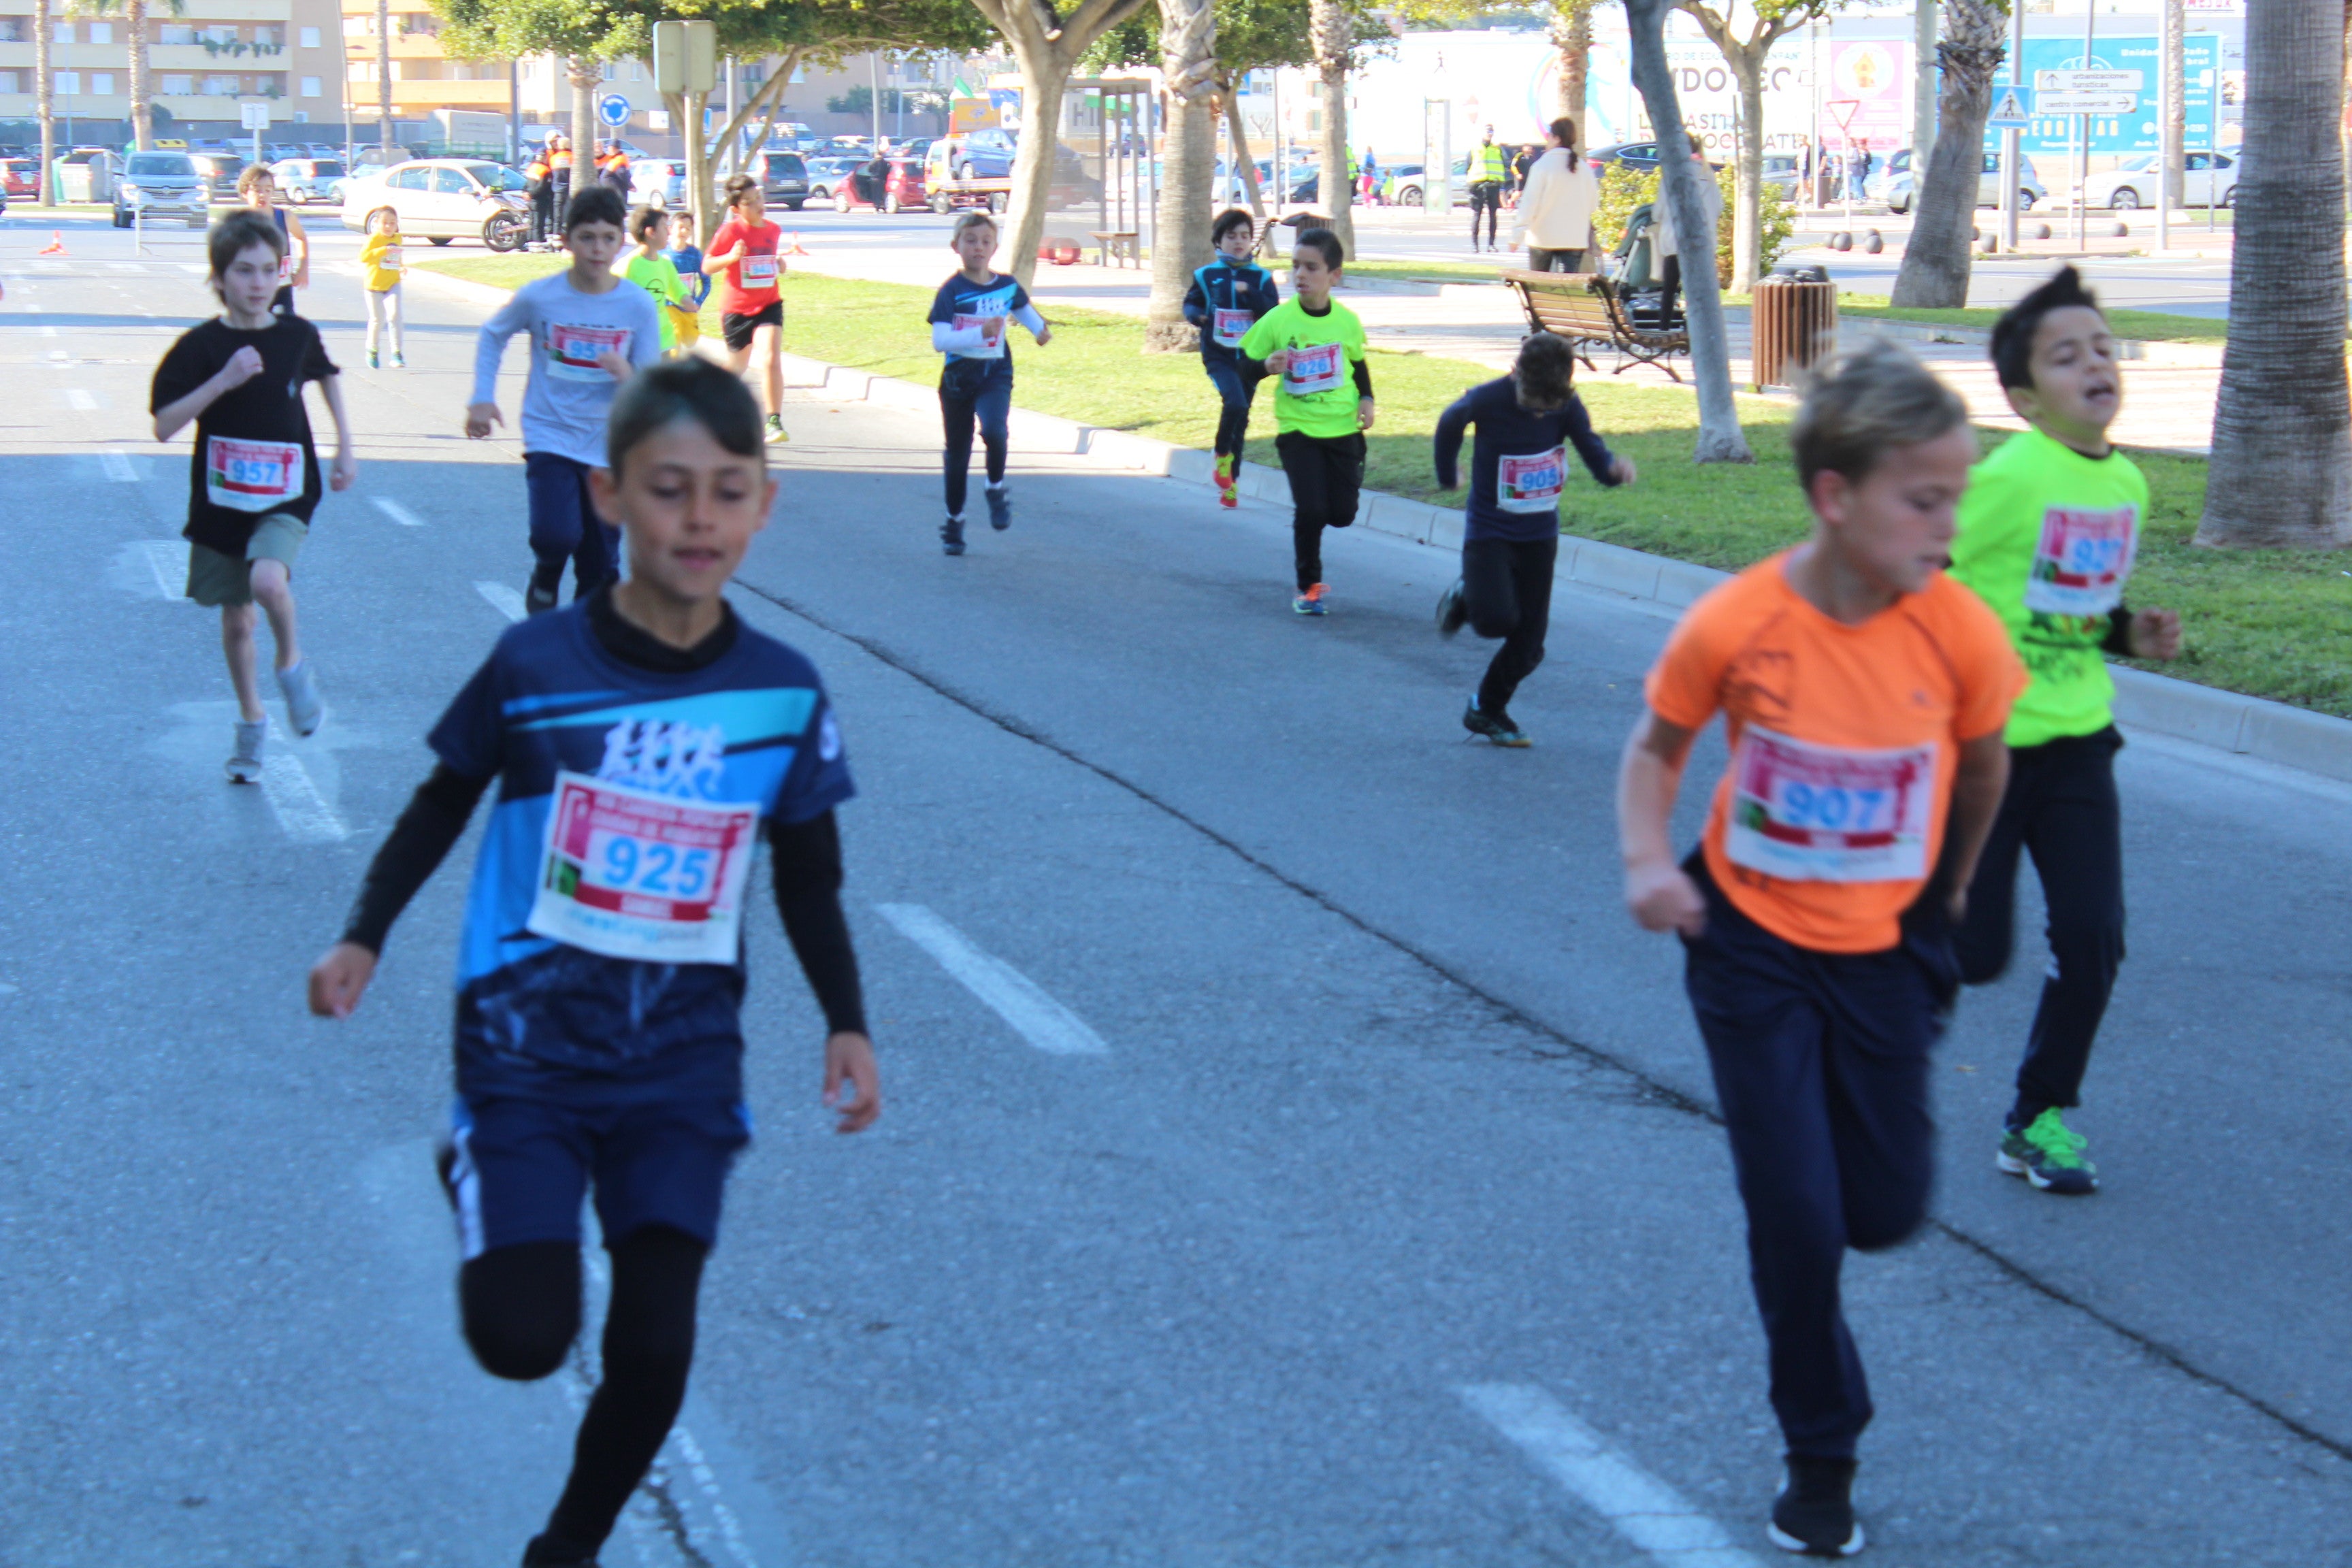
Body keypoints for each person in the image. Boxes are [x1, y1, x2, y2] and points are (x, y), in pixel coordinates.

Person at [307, 355, 881, 1568]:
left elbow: (808, 872)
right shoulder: (536, 667)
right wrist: (366, 929)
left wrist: (847, 1019)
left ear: (763, 505)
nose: (700, 517)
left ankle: (567, 1542)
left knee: (658, 1344)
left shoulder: (782, 689)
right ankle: (469, 1157)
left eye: (728, 491)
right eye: (670, 488)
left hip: (681, 1060)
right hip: (525, 1049)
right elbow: (437, 801)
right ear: (610, 495)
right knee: (522, 1336)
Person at [1616, 340, 2022, 1557]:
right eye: (1924, 498)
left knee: (1884, 1210)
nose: (1947, 524)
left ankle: (1853, 1149)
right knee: (1795, 1212)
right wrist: (1647, 860)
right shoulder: (1738, 622)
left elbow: (1986, 764)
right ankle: (1822, 1453)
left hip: (1887, 946)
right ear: (1836, 498)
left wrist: (1944, 894)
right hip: (1747, 942)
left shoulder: (1955, 630)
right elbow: (1653, 752)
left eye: (1955, 495)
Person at [1948, 267, 2180, 1196]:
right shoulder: (2007, 477)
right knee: (1974, 955)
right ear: (2024, 396)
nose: (2096, 363)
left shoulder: (2127, 481)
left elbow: (2071, 596)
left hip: (2080, 744)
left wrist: (2129, 630)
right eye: (2066, 354)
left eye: (2102, 347)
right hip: (1984, 750)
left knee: (2093, 938)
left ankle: (2036, 1120)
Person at [150, 208, 356, 782]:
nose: (258, 283)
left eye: (269, 270)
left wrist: (345, 445)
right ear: (219, 279)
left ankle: (291, 664)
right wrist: (222, 382)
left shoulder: (297, 335)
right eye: (244, 271)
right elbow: (164, 425)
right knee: (237, 622)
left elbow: (327, 375)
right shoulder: (200, 347)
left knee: (269, 581)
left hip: (287, 492)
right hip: (221, 502)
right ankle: (252, 721)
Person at [467, 184, 662, 615]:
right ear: (567, 240)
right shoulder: (541, 296)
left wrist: (627, 374)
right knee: (556, 535)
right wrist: (482, 397)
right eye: (587, 237)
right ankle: (547, 570)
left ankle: (580, 651)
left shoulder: (637, 306)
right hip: (550, 434)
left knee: (600, 567)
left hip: (609, 448)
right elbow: (492, 334)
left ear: (621, 241)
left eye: (608, 238)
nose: (598, 249)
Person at [1433, 333, 1633, 745]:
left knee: (1530, 645)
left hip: (1539, 534)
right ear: (1517, 375)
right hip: (1491, 528)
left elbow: (1590, 447)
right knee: (1496, 621)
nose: (1542, 414)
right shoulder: (1488, 399)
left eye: (1551, 407)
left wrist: (1611, 471)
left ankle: (1487, 710)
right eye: (1533, 405)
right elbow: (1450, 422)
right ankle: (1470, 595)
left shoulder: (1565, 406)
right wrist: (1447, 473)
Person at [1237, 227, 1373, 616]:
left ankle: (1342, 485)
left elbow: (1358, 363)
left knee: (1343, 515)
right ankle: (1308, 588)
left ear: (1334, 275)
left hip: (1343, 428)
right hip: (1298, 430)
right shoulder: (1279, 320)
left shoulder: (1346, 322)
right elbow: (1242, 365)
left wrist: (1367, 398)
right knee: (1311, 511)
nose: (1300, 275)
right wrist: (1265, 367)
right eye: (1296, 266)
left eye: (1311, 267)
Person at [927, 210, 1051, 555]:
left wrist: (1038, 329)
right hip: (958, 378)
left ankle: (995, 487)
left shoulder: (1005, 284)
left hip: (995, 372)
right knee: (958, 454)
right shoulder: (952, 291)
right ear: (956, 246)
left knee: (995, 430)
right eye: (970, 241)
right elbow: (940, 340)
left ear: (995, 246)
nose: (978, 248)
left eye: (985, 241)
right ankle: (954, 522)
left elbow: (1022, 308)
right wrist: (978, 331)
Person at [1181, 208, 1281, 510]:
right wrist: (1199, 317)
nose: (1239, 242)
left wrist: (1249, 292)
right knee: (1234, 403)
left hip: (1252, 358)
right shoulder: (1206, 275)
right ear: (1218, 240)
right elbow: (1191, 303)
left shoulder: (1261, 278)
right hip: (1219, 355)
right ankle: (1221, 455)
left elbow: (1272, 314)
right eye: (1231, 236)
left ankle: (1231, 483)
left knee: (1242, 417)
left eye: (1245, 236)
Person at [704, 174, 789, 445]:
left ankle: (773, 421)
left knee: (770, 357)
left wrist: (779, 264)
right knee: (735, 368)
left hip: (768, 304)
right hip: (737, 309)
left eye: (759, 198)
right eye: (749, 203)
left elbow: (767, 262)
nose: (758, 205)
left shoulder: (774, 229)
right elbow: (707, 265)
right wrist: (730, 257)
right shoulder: (730, 232)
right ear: (736, 209)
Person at [1512, 116, 1600, 273]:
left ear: (1556, 138)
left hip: (1542, 238)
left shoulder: (1542, 166)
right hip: (1575, 239)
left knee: (1539, 288)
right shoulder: (1584, 168)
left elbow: (1529, 204)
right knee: (1568, 291)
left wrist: (1516, 237)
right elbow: (1593, 205)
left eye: (1549, 136)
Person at [1652, 133, 1721, 321]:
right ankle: (1697, 329)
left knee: (1669, 290)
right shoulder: (1707, 175)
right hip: (1702, 243)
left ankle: (1664, 328)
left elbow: (1658, 212)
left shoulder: (1670, 176)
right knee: (1697, 292)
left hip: (1675, 241)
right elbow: (1718, 207)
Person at [619, 206, 692, 355]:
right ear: (651, 232)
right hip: (637, 339)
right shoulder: (629, 265)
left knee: (664, 379)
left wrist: (687, 300)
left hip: (663, 337)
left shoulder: (665, 263)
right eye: (665, 227)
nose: (668, 232)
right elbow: (612, 291)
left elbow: (676, 286)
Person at [238, 163, 307, 316]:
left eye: (268, 190)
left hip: (281, 288)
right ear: (245, 193)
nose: (263, 195)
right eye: (257, 190)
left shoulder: (284, 217)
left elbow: (301, 237)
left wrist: (303, 268)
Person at [357, 204, 406, 369]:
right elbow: (363, 257)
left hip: (393, 283)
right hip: (373, 286)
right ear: (377, 223)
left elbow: (395, 257)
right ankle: (372, 349)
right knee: (377, 320)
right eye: (385, 222)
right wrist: (382, 250)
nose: (388, 227)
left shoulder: (398, 238)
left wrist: (401, 266)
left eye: (392, 223)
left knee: (394, 316)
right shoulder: (373, 239)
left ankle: (397, 353)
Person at [662, 209, 710, 354]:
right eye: (680, 227)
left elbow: (706, 281)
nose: (684, 231)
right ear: (670, 229)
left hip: (689, 306)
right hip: (669, 306)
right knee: (674, 340)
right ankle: (673, 371)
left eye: (688, 228)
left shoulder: (694, 254)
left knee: (691, 341)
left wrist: (699, 302)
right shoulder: (662, 253)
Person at [1469, 127, 1509, 252]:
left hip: (1493, 185)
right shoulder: (1475, 148)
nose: (1489, 134)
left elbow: (1506, 163)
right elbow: (1468, 166)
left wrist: (1502, 145)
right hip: (1478, 185)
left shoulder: (1497, 149)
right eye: (1487, 131)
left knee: (1493, 216)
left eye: (1491, 132)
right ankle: (1474, 245)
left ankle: (1491, 244)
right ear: (1482, 133)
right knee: (1477, 215)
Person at [525, 141, 555, 248]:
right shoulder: (545, 170)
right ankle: (538, 244)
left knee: (532, 222)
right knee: (539, 222)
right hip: (540, 200)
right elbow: (542, 187)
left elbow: (526, 184)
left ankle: (531, 242)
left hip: (531, 200)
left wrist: (527, 193)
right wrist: (532, 194)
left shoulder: (531, 167)